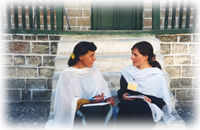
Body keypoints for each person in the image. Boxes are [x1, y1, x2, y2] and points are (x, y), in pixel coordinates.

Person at [45, 41, 115, 129]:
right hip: (78, 110)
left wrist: (108, 98)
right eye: (91, 55)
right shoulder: (67, 74)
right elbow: (66, 103)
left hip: (96, 105)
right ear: (81, 57)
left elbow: (103, 88)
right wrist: (88, 101)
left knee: (108, 109)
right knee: (95, 112)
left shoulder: (94, 70)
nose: (94, 59)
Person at [117, 41, 174, 128]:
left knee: (140, 107)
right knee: (126, 106)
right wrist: (123, 95)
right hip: (130, 105)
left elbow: (162, 100)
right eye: (132, 54)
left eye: (135, 55)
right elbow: (122, 91)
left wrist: (150, 100)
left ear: (146, 57)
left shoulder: (156, 75)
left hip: (147, 107)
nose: (132, 57)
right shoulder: (128, 73)